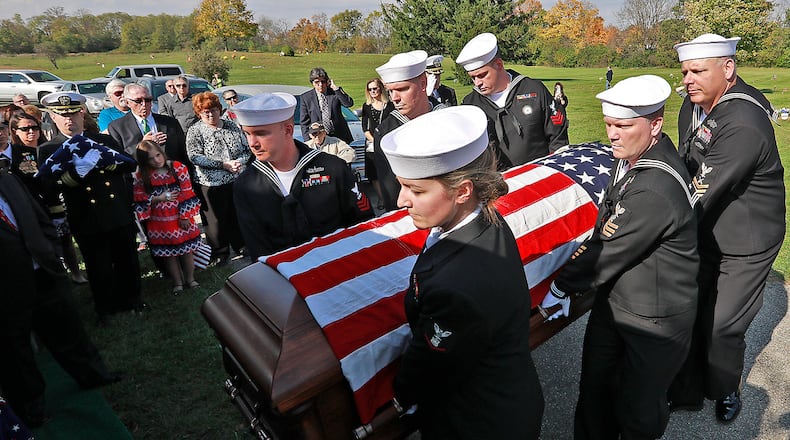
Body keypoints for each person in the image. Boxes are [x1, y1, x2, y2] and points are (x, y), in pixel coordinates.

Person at [541, 75, 698, 439]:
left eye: (623, 126)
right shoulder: (632, 155)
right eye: (609, 124)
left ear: (655, 124)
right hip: (617, 300)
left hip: (654, 318)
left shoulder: (654, 188)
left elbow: (607, 248)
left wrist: (562, 286)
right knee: (594, 392)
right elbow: (607, 220)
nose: (612, 134)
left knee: (637, 409)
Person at [381, 105, 544, 439]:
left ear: (463, 191)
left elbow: (432, 361)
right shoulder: (484, 220)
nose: (401, 200)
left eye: (416, 189)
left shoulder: (458, 285)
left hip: (478, 422)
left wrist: (399, 394)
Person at [669, 33, 786, 423]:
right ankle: (686, 387)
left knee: (723, 324)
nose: (688, 79)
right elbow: (688, 157)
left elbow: (700, 193)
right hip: (709, 227)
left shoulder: (744, 122)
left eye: (698, 70)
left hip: (746, 239)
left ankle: (723, 387)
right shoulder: (694, 102)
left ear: (728, 68)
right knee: (693, 307)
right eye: (685, 71)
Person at [0, 170, 123, 427]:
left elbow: (38, 214)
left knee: (68, 328)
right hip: (7, 287)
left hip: (43, 271)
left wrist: (53, 251)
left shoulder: (7, 178)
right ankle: (31, 406)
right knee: (15, 349)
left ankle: (94, 375)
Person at [37, 92, 143, 323]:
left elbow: (126, 163)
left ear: (82, 113)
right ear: (52, 117)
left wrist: (104, 162)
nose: (69, 120)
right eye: (61, 115)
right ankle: (106, 307)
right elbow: (48, 184)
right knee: (98, 265)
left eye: (74, 113)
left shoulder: (102, 140)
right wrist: (75, 173)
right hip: (85, 214)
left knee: (126, 259)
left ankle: (133, 299)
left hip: (116, 209)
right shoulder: (49, 149)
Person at [231, 93, 373, 260]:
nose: (252, 143)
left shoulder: (332, 168)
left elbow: (363, 223)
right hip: (283, 277)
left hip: (340, 268)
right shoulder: (246, 184)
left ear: (288, 130)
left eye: (261, 133)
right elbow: (257, 247)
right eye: (247, 133)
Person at [456, 33, 569, 170]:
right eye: (473, 78)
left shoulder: (533, 89)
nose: (478, 83)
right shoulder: (471, 104)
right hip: (497, 184)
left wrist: (554, 170)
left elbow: (557, 138)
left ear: (498, 64)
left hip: (540, 177)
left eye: (482, 75)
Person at [8, 113, 88, 285]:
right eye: (25, 129)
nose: (31, 132)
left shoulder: (48, 148)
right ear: (15, 131)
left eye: (35, 127)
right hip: (32, 206)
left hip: (55, 201)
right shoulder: (14, 155)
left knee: (65, 238)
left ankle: (75, 272)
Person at [373, 50, 446, 212]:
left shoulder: (447, 117)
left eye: (402, 89)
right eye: (390, 91)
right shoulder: (386, 134)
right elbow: (391, 193)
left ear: (423, 83)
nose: (395, 98)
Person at [186, 91, 248, 266]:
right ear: (199, 113)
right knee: (214, 220)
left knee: (236, 214)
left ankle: (241, 244)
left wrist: (238, 163)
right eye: (205, 111)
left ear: (219, 109)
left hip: (235, 179)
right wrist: (223, 165)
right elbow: (195, 156)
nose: (210, 114)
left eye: (213, 110)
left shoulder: (232, 126)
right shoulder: (195, 130)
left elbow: (246, 149)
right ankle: (220, 252)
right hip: (210, 183)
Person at [133, 140, 202, 293]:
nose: (157, 160)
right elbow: (139, 197)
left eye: (158, 155)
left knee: (186, 251)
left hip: (179, 217)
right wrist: (158, 198)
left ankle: (190, 278)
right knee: (168, 254)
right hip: (159, 221)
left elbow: (187, 192)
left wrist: (185, 216)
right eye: (151, 158)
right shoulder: (142, 175)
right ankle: (177, 282)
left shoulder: (177, 168)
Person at [108, 83, 188, 164]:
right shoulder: (117, 127)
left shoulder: (170, 123)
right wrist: (143, 145)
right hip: (138, 173)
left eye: (147, 100)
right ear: (127, 103)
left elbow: (183, 153)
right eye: (138, 101)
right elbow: (119, 158)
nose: (144, 104)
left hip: (170, 173)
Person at [360, 78, 393, 208]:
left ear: (380, 88)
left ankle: (391, 196)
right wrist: (375, 141)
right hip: (372, 144)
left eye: (375, 88)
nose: (372, 91)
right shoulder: (366, 106)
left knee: (389, 172)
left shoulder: (389, 105)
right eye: (370, 89)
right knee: (374, 174)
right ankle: (381, 199)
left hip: (388, 142)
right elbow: (365, 128)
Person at [298, 67, 354, 143]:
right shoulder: (306, 98)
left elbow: (348, 104)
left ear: (327, 81)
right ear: (312, 83)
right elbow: (304, 123)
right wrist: (308, 142)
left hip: (340, 137)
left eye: (323, 81)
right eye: (317, 82)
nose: (320, 84)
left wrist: (336, 88)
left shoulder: (334, 93)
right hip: (319, 138)